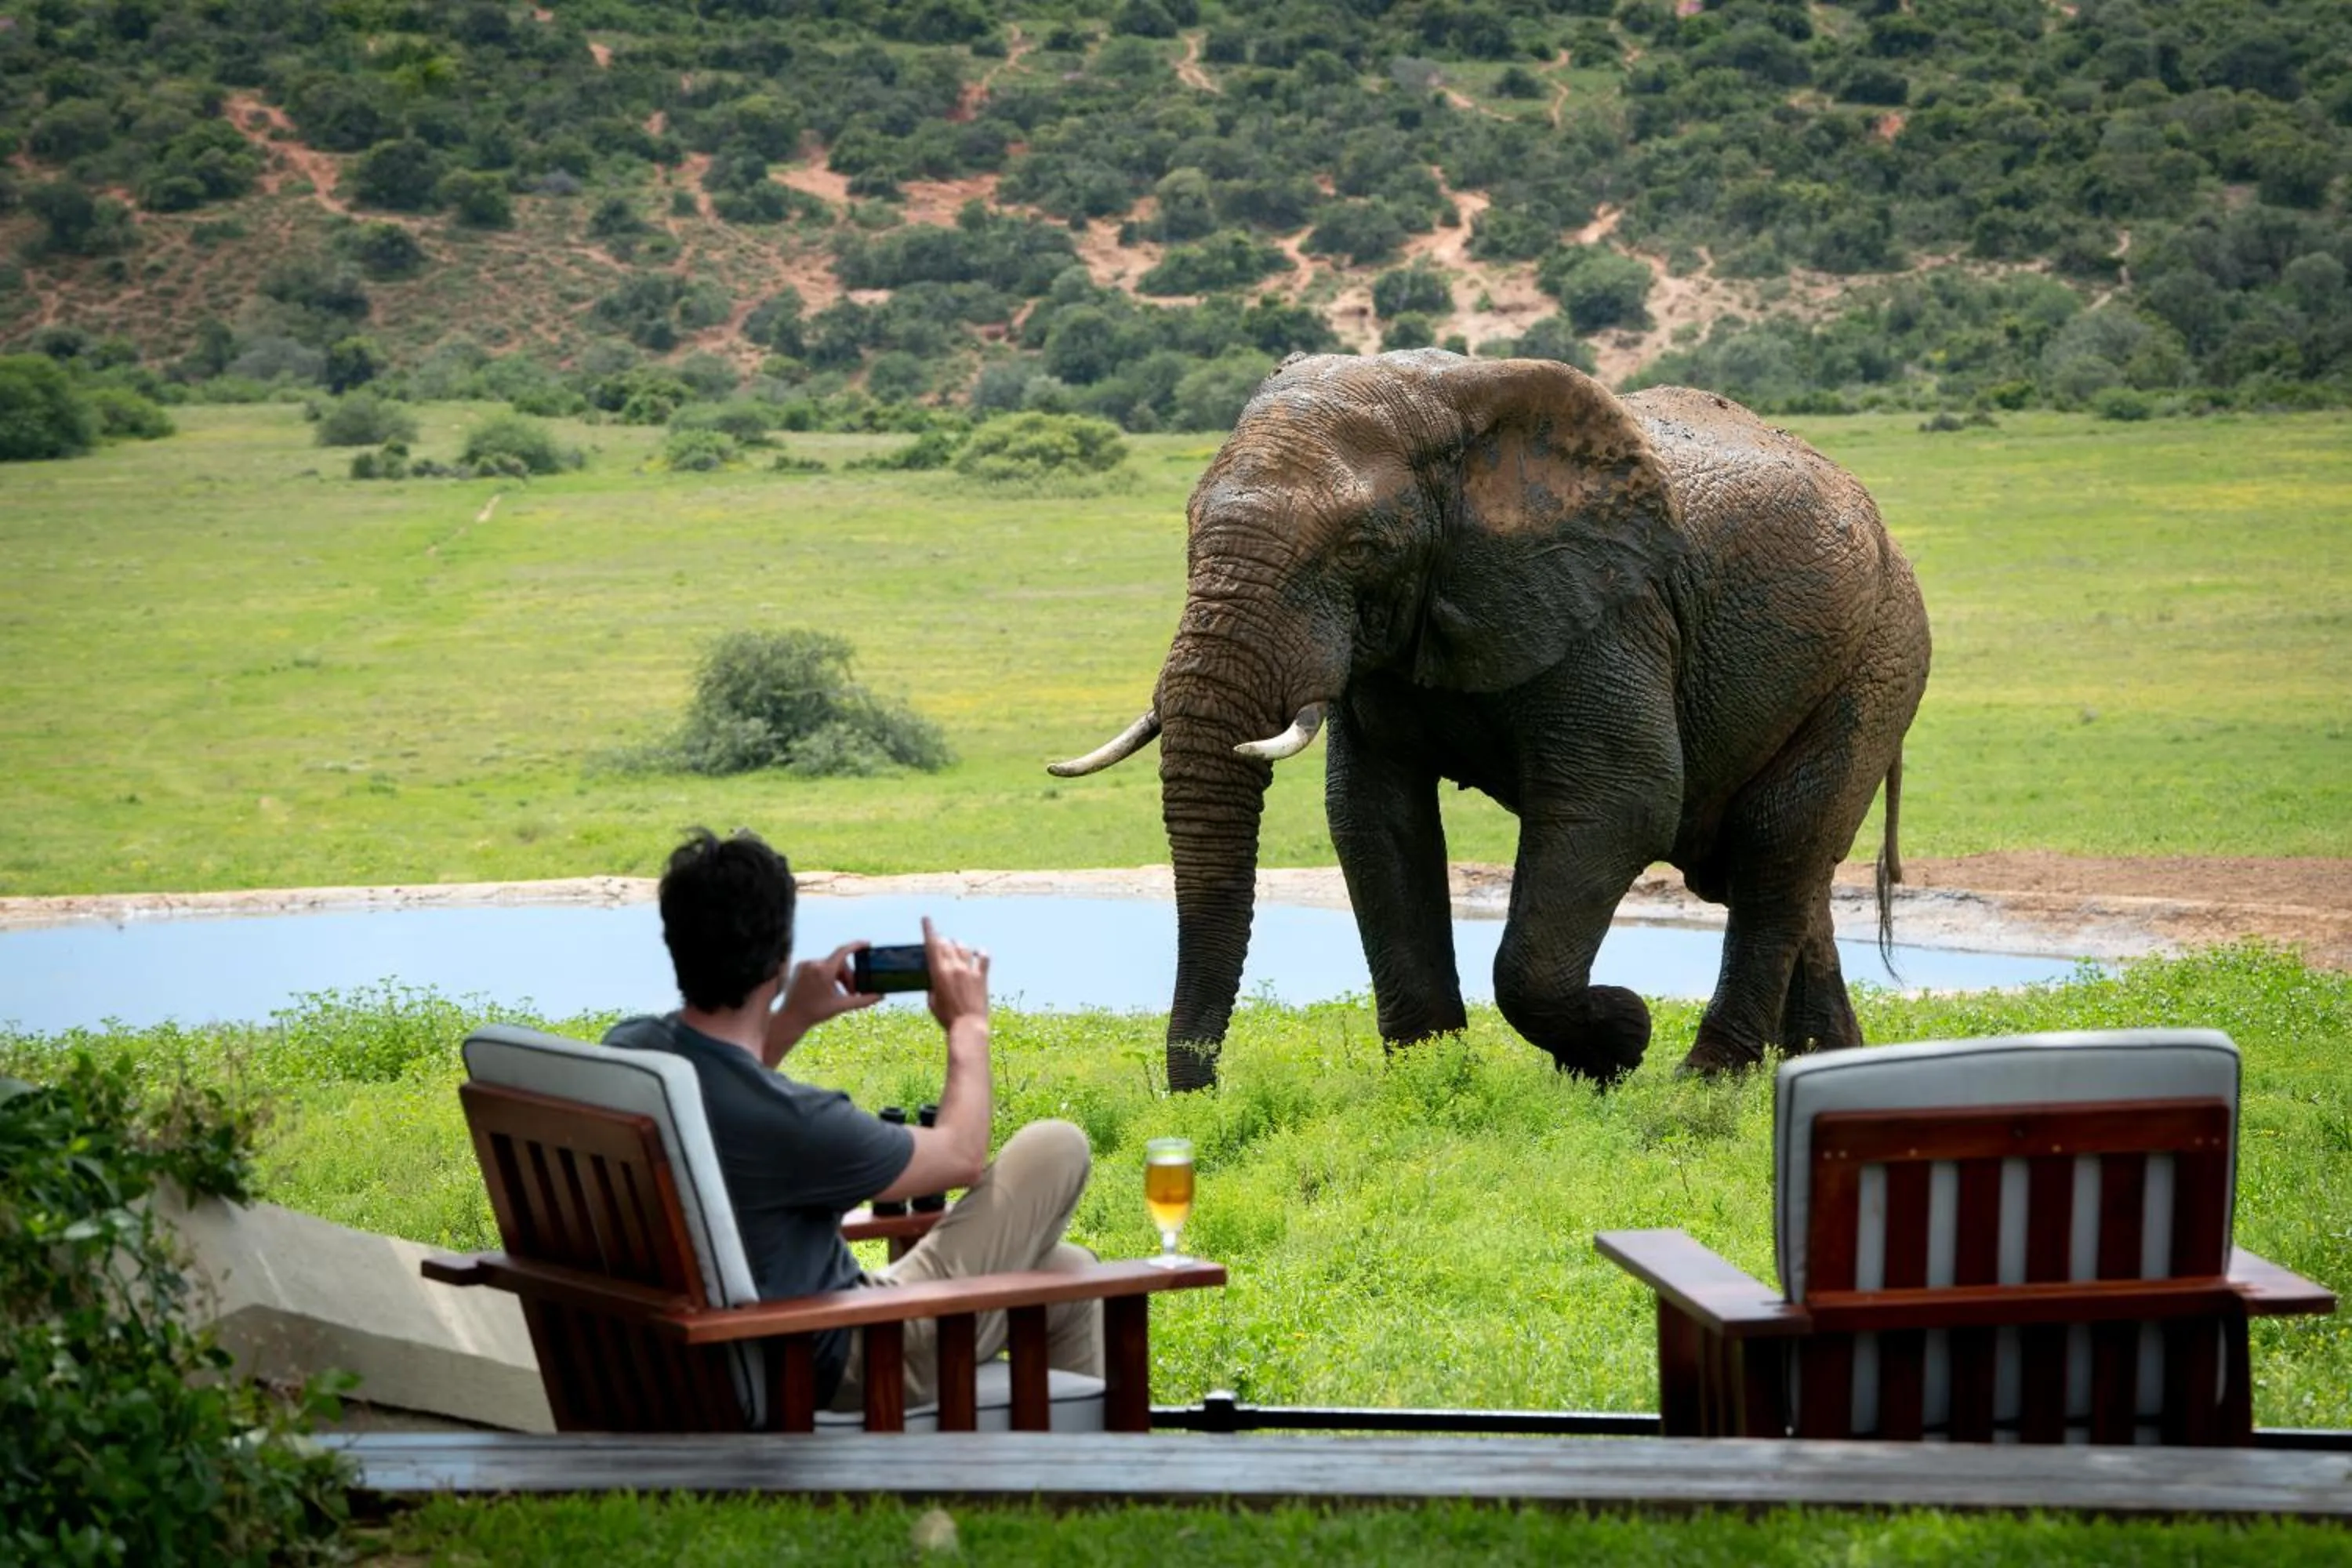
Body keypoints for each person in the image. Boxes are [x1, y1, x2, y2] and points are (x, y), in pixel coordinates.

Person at [603, 827, 1100, 1417]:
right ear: (781, 959)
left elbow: (720, 1076)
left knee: (1072, 1276)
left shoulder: (633, 1052)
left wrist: (789, 1018)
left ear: (674, 939)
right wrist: (969, 1026)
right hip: (848, 1352)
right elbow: (961, 1154)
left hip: (702, 1343)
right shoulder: (794, 1124)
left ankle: (1075, 1468)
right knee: (1056, 1146)